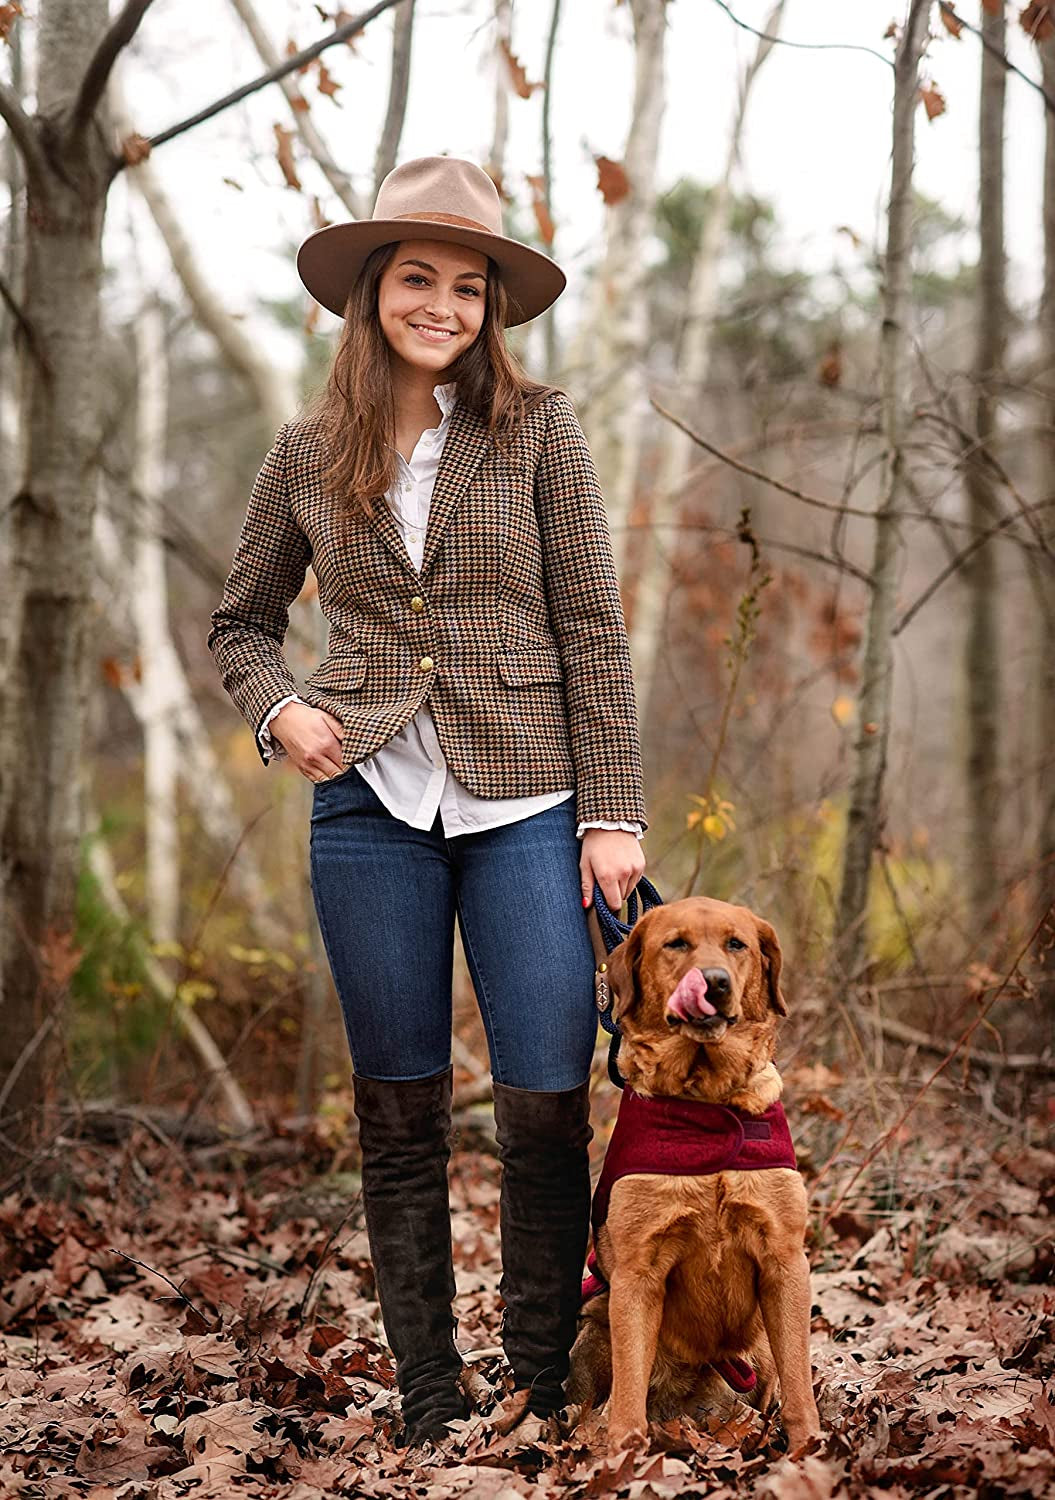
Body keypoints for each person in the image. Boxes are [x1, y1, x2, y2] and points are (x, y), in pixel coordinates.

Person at [207, 156, 648, 1448]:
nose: (442, 304)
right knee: (398, 1106)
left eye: (469, 285)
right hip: (367, 814)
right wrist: (281, 712)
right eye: (418, 279)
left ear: (492, 305)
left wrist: (611, 814)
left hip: (527, 801)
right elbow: (239, 624)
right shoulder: (305, 452)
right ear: (372, 291)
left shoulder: (539, 432)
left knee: (545, 1099)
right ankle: (428, 1390)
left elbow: (596, 635)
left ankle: (531, 1377)